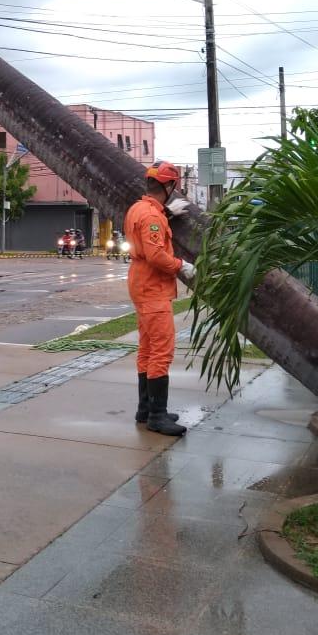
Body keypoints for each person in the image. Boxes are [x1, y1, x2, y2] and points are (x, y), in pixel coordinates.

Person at [124, 161, 195, 437]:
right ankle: (157, 415)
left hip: (142, 284)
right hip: (153, 288)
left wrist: (165, 213)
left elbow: (146, 233)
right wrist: (182, 266)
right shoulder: (152, 217)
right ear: (168, 186)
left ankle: (146, 408)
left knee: (147, 347)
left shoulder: (139, 209)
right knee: (161, 350)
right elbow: (155, 255)